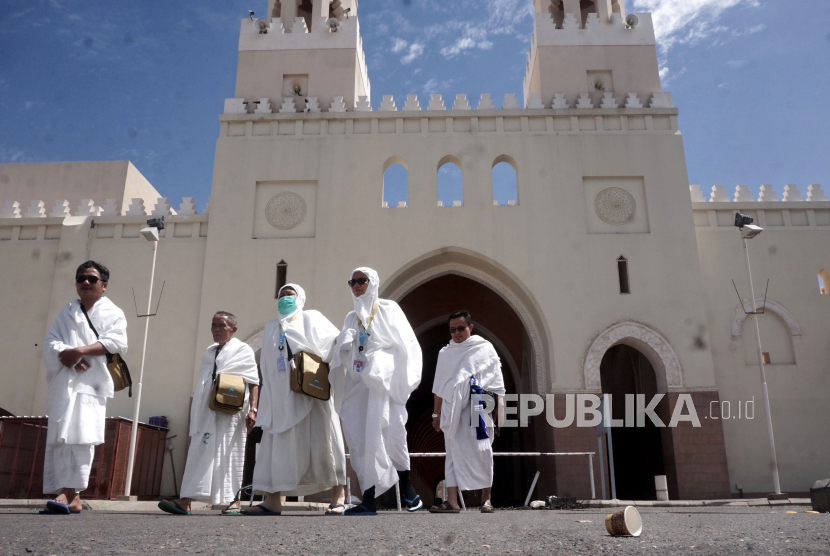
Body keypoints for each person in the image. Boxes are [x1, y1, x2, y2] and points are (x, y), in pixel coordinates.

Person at [244, 284, 347, 516]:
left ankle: (338, 496)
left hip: (311, 395)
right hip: (280, 399)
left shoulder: (311, 318)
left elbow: (334, 344)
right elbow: (267, 366)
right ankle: (273, 500)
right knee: (277, 449)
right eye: (281, 295)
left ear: (300, 298)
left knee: (325, 444)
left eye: (290, 295)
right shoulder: (271, 327)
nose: (284, 299)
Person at [330, 268, 423, 515]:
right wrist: (344, 343)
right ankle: (368, 500)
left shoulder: (388, 309)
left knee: (392, 435)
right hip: (360, 385)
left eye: (362, 281)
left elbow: (406, 345)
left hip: (384, 382)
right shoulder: (351, 318)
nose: (357, 285)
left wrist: (379, 358)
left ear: (373, 283)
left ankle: (408, 489)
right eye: (353, 281)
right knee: (362, 439)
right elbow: (345, 354)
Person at [42, 261, 128, 514]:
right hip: (64, 384)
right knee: (60, 438)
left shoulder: (113, 312)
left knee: (82, 438)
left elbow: (117, 342)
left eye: (92, 278)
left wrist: (79, 351)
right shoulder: (67, 311)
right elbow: (50, 341)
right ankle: (74, 499)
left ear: (104, 285)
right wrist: (67, 355)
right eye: (81, 278)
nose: (86, 282)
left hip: (91, 386)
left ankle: (67, 493)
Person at [158, 311, 259, 516]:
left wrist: (253, 410)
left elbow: (253, 381)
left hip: (232, 413)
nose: (216, 329)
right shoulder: (209, 352)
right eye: (213, 325)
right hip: (207, 411)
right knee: (199, 451)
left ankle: (233, 501)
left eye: (221, 325)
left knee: (231, 453)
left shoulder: (243, 350)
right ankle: (185, 500)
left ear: (233, 329)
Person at [429, 310, 505, 514]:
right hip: (452, 410)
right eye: (452, 330)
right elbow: (439, 387)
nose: (457, 333)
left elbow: (496, 379)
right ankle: (452, 501)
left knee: (483, 449)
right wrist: (436, 415)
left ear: (470, 327)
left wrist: (500, 407)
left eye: (461, 328)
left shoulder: (484, 348)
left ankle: (486, 499)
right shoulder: (445, 354)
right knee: (452, 454)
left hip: (478, 405)